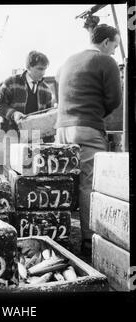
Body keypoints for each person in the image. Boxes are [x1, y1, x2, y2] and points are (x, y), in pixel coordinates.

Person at [55, 24, 122, 256]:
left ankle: (57, 236)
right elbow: (114, 99)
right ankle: (86, 240)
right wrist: (94, 115)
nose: (115, 50)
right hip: (87, 130)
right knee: (88, 184)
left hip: (62, 130)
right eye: (114, 45)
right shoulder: (106, 62)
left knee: (64, 183)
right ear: (105, 43)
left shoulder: (67, 62)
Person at [0, 51, 53, 172]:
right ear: (28, 67)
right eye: (39, 69)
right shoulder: (11, 82)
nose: (43, 73)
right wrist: (13, 114)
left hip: (33, 139)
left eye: (45, 69)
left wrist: (49, 143)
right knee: (6, 176)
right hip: (9, 134)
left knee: (28, 176)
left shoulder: (46, 90)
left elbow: (48, 118)